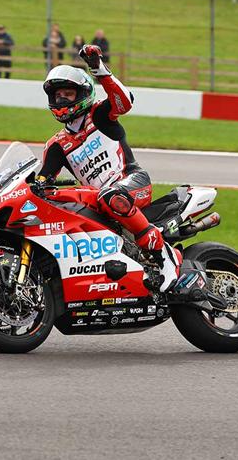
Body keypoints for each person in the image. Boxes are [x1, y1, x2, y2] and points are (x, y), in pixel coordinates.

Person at [36, 45, 182, 292]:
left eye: (68, 94)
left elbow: (125, 102)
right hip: (99, 204)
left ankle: (164, 255)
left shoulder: (100, 115)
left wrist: (99, 69)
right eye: (58, 95)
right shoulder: (56, 146)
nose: (62, 100)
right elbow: (42, 180)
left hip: (132, 182)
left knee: (109, 195)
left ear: (82, 94)